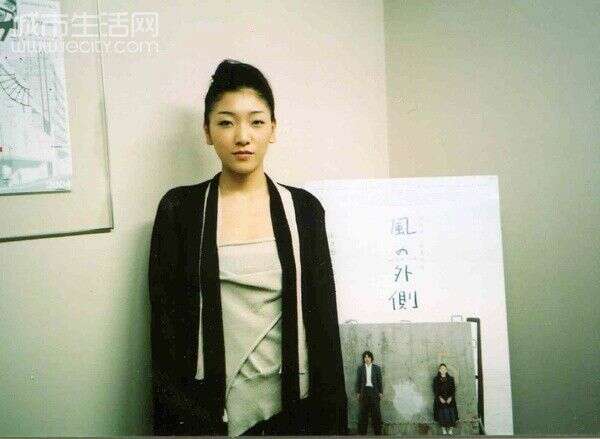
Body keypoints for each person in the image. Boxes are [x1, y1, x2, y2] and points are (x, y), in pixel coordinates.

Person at [148, 59, 348, 436]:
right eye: (226, 122)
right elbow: (165, 338)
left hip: (292, 413)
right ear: (207, 131)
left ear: (273, 129)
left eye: (256, 122)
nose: (242, 136)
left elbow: (324, 329)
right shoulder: (181, 211)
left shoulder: (304, 210)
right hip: (209, 415)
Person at [355, 351, 383, 435]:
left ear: (371, 358)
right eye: (365, 357)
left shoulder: (376, 368)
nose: (367, 359)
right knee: (363, 414)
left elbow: (379, 381)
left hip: (374, 392)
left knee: (376, 414)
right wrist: (358, 392)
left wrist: (380, 392)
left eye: (368, 357)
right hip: (364, 392)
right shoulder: (360, 368)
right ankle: (362, 434)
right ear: (363, 359)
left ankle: (378, 433)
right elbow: (358, 381)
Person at [432, 363, 459, 435]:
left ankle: (450, 430)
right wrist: (440, 398)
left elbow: (453, 389)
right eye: (441, 368)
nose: (443, 370)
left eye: (444, 368)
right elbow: (435, 390)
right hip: (441, 400)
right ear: (439, 370)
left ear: (446, 370)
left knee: (451, 415)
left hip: (450, 400)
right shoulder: (436, 379)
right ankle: (443, 429)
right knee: (442, 415)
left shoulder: (451, 379)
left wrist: (451, 397)